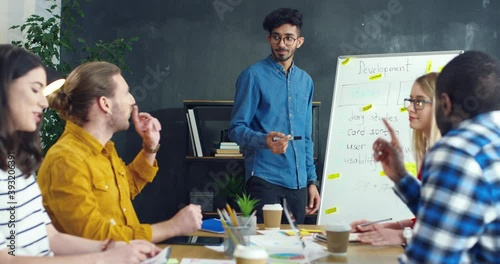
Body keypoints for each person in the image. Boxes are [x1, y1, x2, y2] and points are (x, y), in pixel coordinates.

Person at [0, 44, 159, 263]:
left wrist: (117, 248)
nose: (43, 102)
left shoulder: (16, 166)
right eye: (35, 89)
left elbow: (49, 237)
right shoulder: (64, 159)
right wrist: (106, 257)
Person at [37, 61, 203, 243]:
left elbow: (126, 187)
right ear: (105, 104)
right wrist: (173, 227)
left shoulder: (104, 150)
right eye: (125, 92)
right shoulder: (65, 161)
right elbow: (95, 237)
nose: (132, 100)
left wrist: (149, 147)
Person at [375, 51, 500, 263]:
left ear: (445, 103)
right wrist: (401, 177)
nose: (411, 108)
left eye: (420, 102)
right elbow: (450, 216)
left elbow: (429, 259)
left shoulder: (458, 151)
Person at [228, 8, 320, 224]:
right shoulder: (252, 76)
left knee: (293, 252)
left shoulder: (306, 81)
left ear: (299, 41)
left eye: (289, 38)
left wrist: (311, 181)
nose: (282, 44)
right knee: (264, 249)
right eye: (276, 37)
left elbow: (305, 138)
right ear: (269, 39)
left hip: (298, 183)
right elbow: (236, 128)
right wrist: (264, 141)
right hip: (264, 179)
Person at [350, 72, 441, 246]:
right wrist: (387, 227)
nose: (410, 108)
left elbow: (447, 227)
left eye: (419, 102)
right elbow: (429, 214)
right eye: (411, 100)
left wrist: (402, 236)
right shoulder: (431, 153)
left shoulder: (450, 157)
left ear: (440, 106)